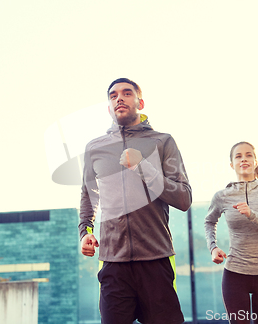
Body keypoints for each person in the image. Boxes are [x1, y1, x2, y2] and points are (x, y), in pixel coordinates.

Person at [79, 78, 192, 324]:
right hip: (112, 263)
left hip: (156, 259)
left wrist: (143, 167)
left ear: (140, 102)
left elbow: (184, 198)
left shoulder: (162, 141)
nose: (119, 98)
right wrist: (85, 232)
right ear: (109, 107)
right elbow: (88, 195)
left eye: (126, 93)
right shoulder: (94, 148)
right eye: (113, 95)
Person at [204, 141, 258, 324]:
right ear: (232, 164)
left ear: (255, 161)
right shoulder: (222, 196)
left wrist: (252, 215)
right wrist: (213, 247)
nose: (244, 159)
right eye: (238, 156)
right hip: (235, 274)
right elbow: (209, 221)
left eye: (249, 155)